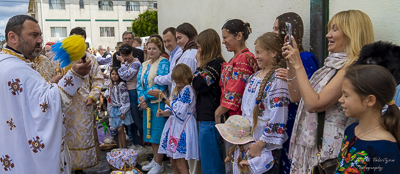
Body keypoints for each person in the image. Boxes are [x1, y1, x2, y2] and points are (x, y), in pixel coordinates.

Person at [281, 10, 374, 173]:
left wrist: (298, 65)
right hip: (316, 146)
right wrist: (290, 63)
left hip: (329, 150)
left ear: (352, 33)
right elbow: (295, 96)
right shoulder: (330, 67)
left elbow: (314, 104)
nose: (328, 35)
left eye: (334, 29)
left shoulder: (352, 68)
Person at [0, 14, 91, 174]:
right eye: (34, 35)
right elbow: (47, 105)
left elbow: (28, 100)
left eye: (40, 35)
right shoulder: (19, 69)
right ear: (12, 37)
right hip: (26, 153)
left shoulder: (6, 63)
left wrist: (50, 85)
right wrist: (75, 76)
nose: (40, 40)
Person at [271, 12, 319, 173]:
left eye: (277, 29)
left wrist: (292, 77)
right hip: (283, 126)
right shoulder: (281, 60)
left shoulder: (305, 58)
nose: (273, 33)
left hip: (297, 124)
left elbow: (310, 92)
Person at [336, 65, 400, 173]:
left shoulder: (385, 149)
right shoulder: (351, 130)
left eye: (346, 96)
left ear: (370, 100)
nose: (340, 99)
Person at [241, 32, 289, 173]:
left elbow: (278, 115)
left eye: (259, 52)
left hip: (266, 147)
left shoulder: (278, 80)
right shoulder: (254, 77)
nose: (256, 56)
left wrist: (260, 144)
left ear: (273, 53)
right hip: (251, 142)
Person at [63, 27, 104, 173]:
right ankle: (68, 166)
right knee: (65, 137)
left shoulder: (90, 58)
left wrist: (92, 96)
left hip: (83, 104)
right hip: (65, 105)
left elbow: (99, 79)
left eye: (80, 39)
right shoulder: (63, 58)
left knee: (82, 136)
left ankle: (80, 168)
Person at [218, 19, 256, 174]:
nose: (223, 41)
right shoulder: (236, 58)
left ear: (239, 35)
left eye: (226, 37)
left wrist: (218, 112)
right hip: (233, 118)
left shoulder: (243, 59)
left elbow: (235, 93)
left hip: (237, 121)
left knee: (237, 164)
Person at [192, 28, 226, 174]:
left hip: (210, 120)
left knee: (211, 164)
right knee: (209, 162)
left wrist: (198, 64)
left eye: (199, 47)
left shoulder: (216, 63)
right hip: (206, 119)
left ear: (206, 45)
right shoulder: (212, 64)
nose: (198, 51)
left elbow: (198, 84)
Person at [157, 64, 200, 174]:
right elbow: (173, 109)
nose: (178, 85)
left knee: (180, 161)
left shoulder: (188, 89)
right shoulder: (178, 90)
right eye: (176, 82)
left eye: (180, 82)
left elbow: (180, 111)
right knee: (173, 160)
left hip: (183, 127)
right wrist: (164, 113)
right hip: (175, 126)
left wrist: (163, 98)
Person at [137, 37, 170, 174]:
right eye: (149, 48)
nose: (151, 51)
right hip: (147, 105)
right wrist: (141, 99)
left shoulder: (163, 62)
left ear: (160, 49)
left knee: (158, 134)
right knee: (150, 134)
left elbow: (160, 86)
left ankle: (159, 162)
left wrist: (145, 96)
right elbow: (139, 82)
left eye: (154, 48)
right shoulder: (144, 64)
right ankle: (155, 160)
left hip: (158, 104)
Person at [116, 44, 142, 147]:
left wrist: (122, 64)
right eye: (123, 56)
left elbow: (126, 76)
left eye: (126, 55)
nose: (125, 58)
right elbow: (122, 74)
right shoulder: (127, 63)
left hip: (134, 92)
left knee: (136, 119)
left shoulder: (136, 63)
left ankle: (141, 143)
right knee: (130, 120)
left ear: (131, 52)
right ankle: (135, 143)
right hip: (128, 92)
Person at [104, 68, 134, 148]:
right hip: (115, 110)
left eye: (116, 74)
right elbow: (109, 98)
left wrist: (123, 112)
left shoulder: (121, 85)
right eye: (112, 74)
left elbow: (125, 99)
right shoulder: (111, 85)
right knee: (118, 130)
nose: (114, 76)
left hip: (122, 109)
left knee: (121, 129)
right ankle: (121, 148)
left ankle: (124, 148)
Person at [153, 27, 183, 97]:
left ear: (176, 39)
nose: (166, 44)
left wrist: (156, 79)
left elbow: (172, 77)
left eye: (169, 41)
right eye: (165, 42)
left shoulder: (180, 54)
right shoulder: (172, 54)